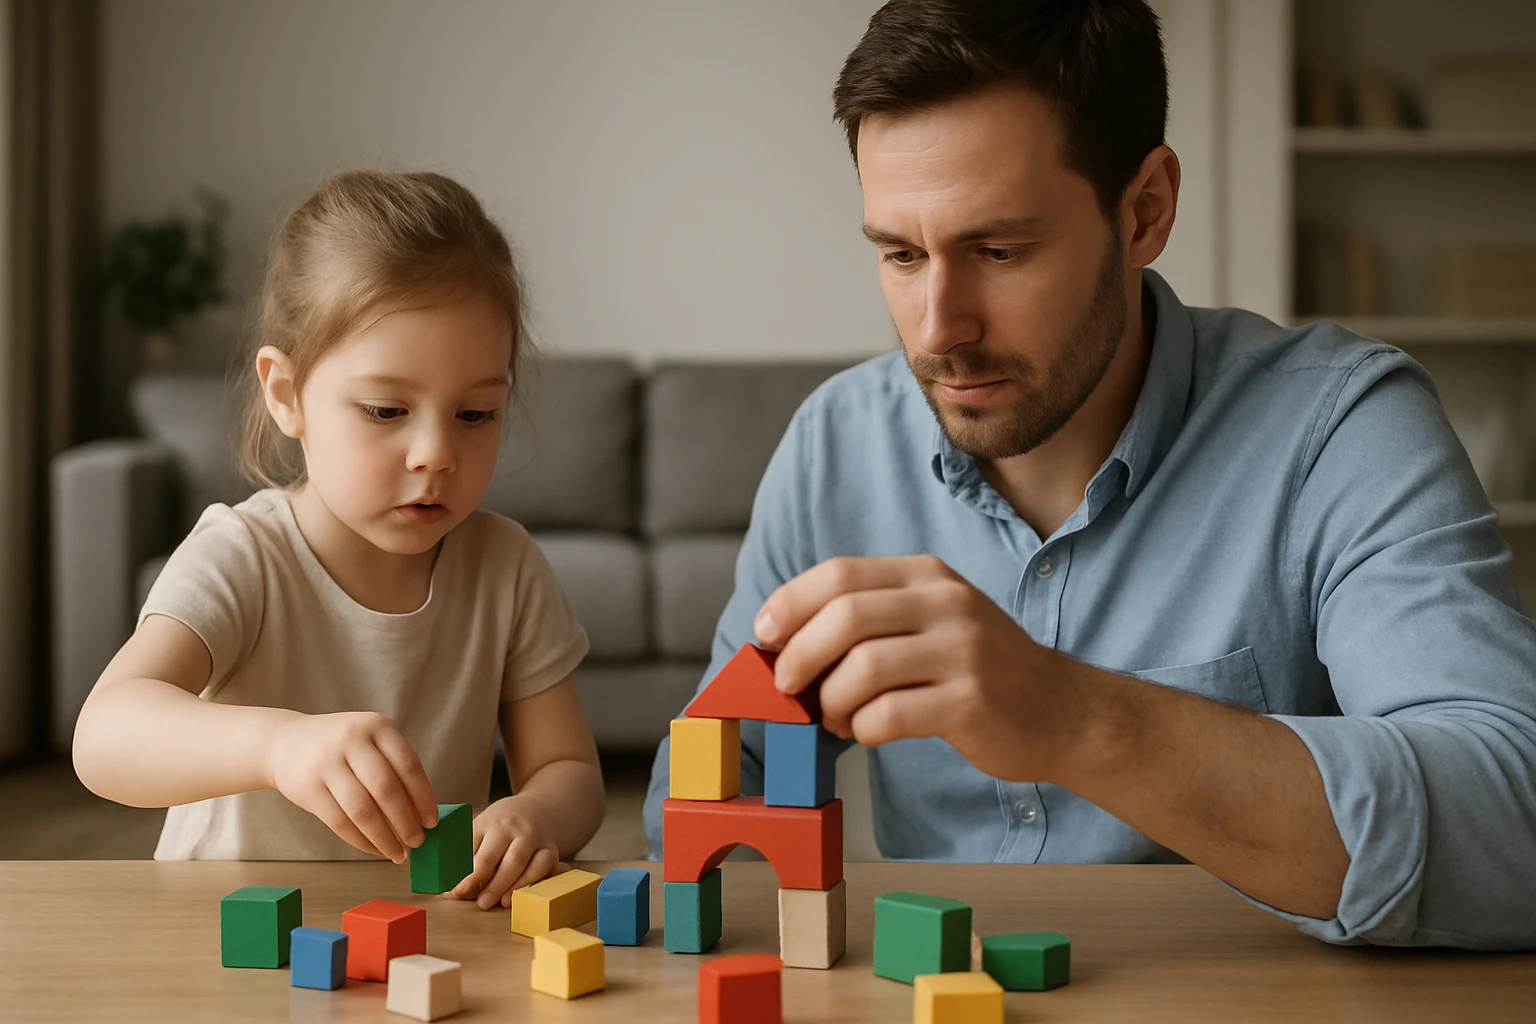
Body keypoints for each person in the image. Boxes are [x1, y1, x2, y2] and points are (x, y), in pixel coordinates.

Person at [644, 0, 1536, 949]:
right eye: (902, 255)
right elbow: (710, 779)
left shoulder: (1341, 430)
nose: (939, 329)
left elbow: (1515, 822)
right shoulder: (833, 448)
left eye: (999, 250)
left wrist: (1078, 719)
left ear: (1144, 210)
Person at [73, 170, 604, 911]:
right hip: (225, 947)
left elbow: (570, 768)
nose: (435, 453)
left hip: (418, 944)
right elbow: (104, 736)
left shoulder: (505, 566)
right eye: (387, 410)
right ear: (286, 395)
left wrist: (539, 812)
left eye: (476, 414)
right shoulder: (242, 556)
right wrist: (277, 747)